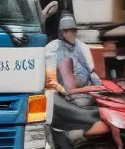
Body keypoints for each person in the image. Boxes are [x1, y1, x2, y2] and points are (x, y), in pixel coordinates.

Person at [46, 12, 108, 141]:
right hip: (62, 96)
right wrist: (64, 92)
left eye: (74, 30)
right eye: (68, 31)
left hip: (84, 95)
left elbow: (91, 72)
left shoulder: (82, 46)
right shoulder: (52, 48)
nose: (72, 33)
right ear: (61, 32)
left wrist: (101, 88)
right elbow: (51, 80)